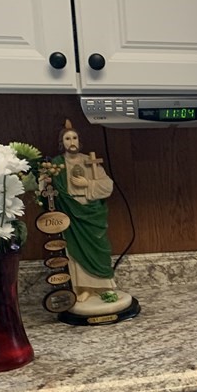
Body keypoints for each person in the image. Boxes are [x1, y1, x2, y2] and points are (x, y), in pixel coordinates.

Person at [41, 121, 135, 319]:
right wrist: (45, 179)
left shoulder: (90, 161)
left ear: (79, 141)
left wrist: (88, 183)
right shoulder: (56, 164)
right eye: (68, 138)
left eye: (74, 138)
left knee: (100, 249)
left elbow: (107, 186)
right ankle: (83, 287)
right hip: (70, 212)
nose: (72, 141)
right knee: (75, 251)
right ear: (62, 142)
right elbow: (44, 187)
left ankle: (104, 287)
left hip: (91, 213)